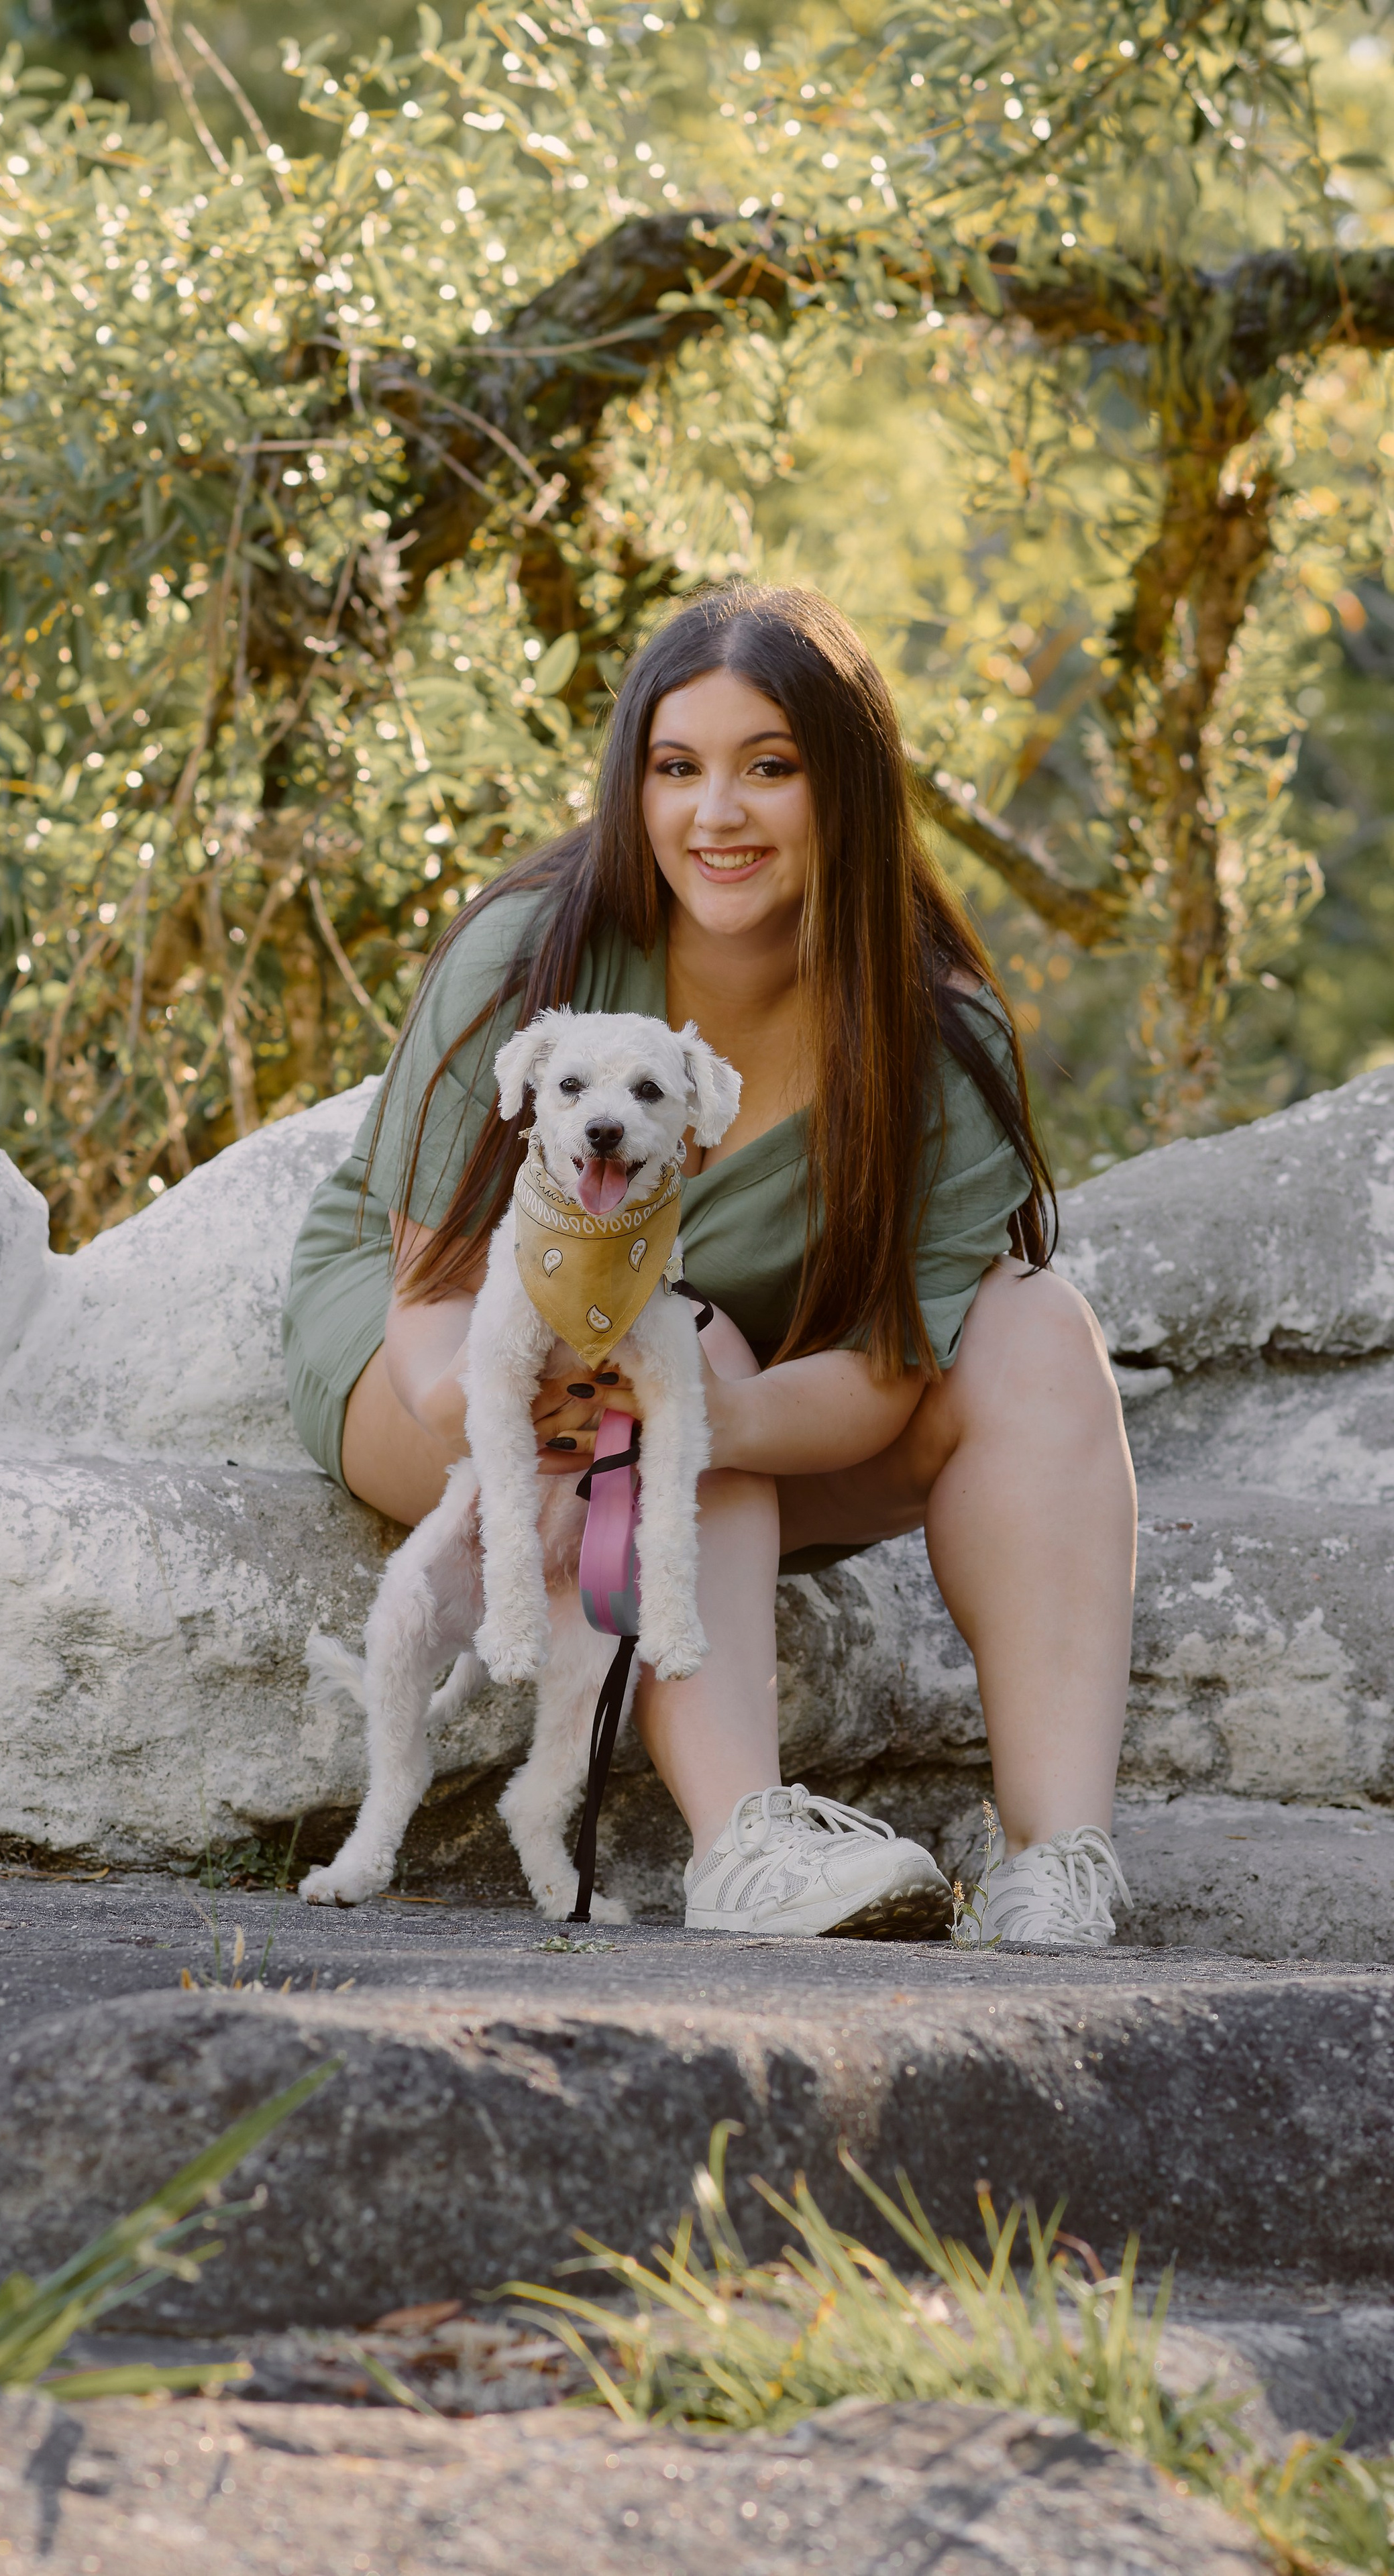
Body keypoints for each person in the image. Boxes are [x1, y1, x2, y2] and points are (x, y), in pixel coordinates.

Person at [283, 584, 1136, 1947]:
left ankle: (1054, 1865)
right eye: (675, 769)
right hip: (447, 1367)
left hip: (753, 1383)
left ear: (843, 787)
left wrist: (709, 1411)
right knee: (671, 1351)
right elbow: (430, 1299)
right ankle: (745, 1845)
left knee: (1033, 1325)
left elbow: (877, 1374)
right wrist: (522, 1407)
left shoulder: (934, 1030)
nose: (714, 814)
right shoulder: (530, 946)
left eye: (768, 769)